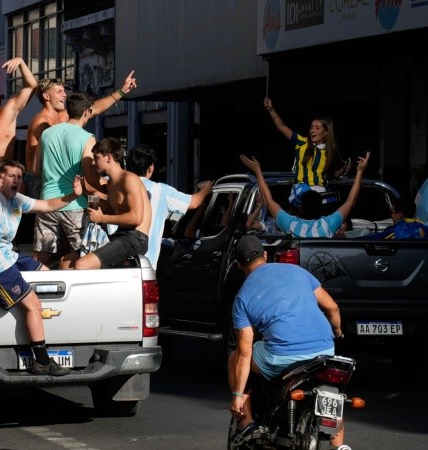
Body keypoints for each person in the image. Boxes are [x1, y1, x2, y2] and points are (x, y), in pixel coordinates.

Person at [227, 235, 346, 447]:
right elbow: (332, 308)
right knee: (330, 394)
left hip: (282, 357)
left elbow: (244, 354)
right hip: (324, 350)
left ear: (239, 265)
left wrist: (236, 394)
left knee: (234, 358)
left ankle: (247, 422)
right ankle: (339, 447)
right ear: (265, 255)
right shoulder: (298, 271)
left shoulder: (242, 298)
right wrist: (337, 332)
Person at [0, 160, 81, 375]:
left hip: (10, 255)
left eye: (19, 177)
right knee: (33, 304)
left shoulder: (17, 199)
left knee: (49, 276)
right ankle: (42, 361)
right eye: (11, 176)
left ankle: (39, 323)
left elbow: (47, 205)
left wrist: (74, 196)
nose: (16, 181)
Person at [24, 71, 138, 196]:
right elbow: (35, 166)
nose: (64, 95)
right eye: (59, 92)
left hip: (66, 180)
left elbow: (93, 108)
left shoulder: (66, 115)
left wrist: (122, 91)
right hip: (41, 182)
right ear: (46, 96)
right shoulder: (40, 122)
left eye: (64, 91)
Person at [32, 92, 98, 266]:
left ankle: (33, 289)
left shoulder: (46, 134)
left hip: (47, 202)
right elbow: (90, 177)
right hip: (76, 204)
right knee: (81, 254)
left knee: (41, 255)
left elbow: (35, 169)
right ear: (87, 111)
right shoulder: (87, 138)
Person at [239, 151, 370, 238]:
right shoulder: (328, 224)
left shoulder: (291, 224)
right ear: (321, 208)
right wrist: (359, 172)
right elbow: (350, 201)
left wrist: (258, 171)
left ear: (300, 208)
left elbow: (268, 199)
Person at [125, 144, 213, 269]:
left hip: (117, 257)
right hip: (146, 262)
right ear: (151, 167)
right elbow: (194, 203)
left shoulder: (118, 187)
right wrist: (205, 190)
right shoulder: (160, 190)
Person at [70, 138, 152, 270]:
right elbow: (110, 209)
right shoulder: (111, 184)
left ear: (109, 158)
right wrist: (83, 193)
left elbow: (136, 218)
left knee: (82, 264)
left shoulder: (129, 179)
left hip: (136, 238)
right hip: (121, 235)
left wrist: (102, 218)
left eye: (96, 158)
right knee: (66, 262)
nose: (93, 162)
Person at [263, 97, 350, 205]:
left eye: (317, 128)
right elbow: (282, 127)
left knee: (336, 207)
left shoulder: (329, 152)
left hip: (320, 193)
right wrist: (271, 109)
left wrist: (343, 170)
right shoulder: (302, 143)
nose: (313, 130)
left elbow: (329, 176)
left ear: (326, 132)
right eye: (312, 127)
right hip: (301, 192)